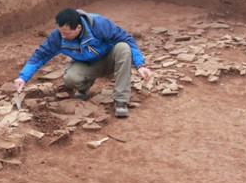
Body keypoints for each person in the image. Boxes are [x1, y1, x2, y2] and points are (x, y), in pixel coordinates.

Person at [14, 8, 152, 118]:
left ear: (78, 28)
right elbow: (40, 55)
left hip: (109, 60)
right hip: (87, 65)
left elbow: (126, 38)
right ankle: (83, 88)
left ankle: (121, 101)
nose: (63, 36)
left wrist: (140, 65)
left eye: (67, 33)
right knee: (70, 78)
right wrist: (23, 77)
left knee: (123, 48)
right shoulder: (58, 35)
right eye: (60, 32)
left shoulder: (99, 25)